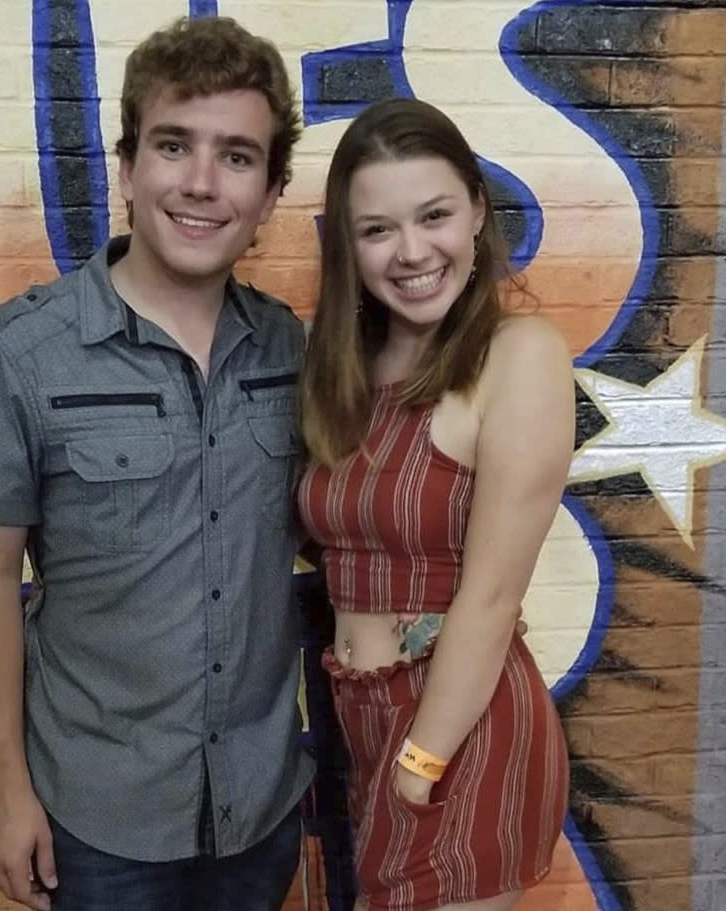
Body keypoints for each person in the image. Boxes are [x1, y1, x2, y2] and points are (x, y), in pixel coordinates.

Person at [0, 16, 314, 911]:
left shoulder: (289, 349)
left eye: (236, 156)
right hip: (97, 820)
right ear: (128, 165)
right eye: (173, 145)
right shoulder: (23, 352)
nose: (199, 183)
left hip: (262, 807)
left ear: (269, 193)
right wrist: (9, 788)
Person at [297, 97, 574, 911]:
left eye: (435, 215)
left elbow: (489, 598)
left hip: (461, 731)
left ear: (477, 212)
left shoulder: (519, 354)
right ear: (347, 245)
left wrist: (419, 761)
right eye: (377, 229)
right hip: (363, 719)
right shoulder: (345, 371)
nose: (411, 251)